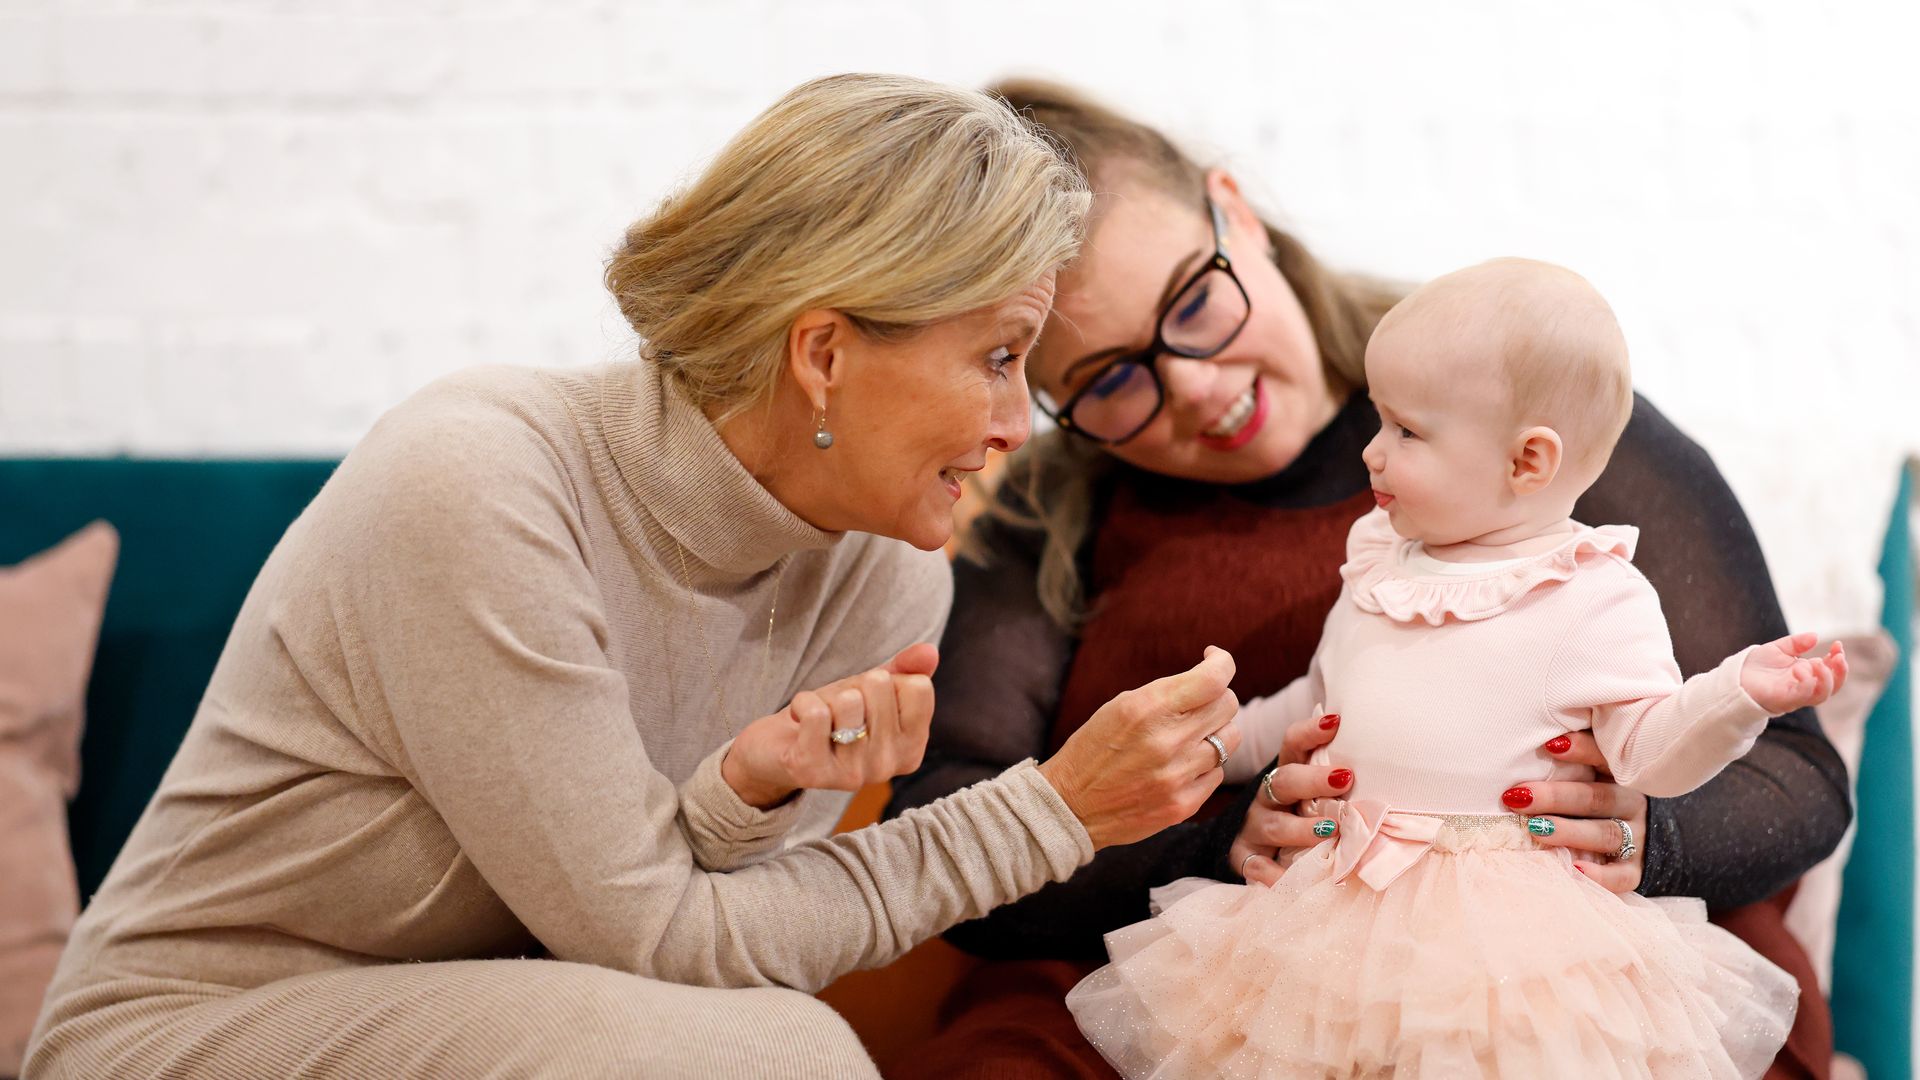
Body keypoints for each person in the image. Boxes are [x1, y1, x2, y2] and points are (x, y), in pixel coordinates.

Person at [23, 74, 1249, 1080]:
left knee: (773, 1042)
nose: (1008, 422)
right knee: (780, 1063)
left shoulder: (887, 579)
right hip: (193, 1025)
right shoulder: (482, 482)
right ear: (822, 351)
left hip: (506, 1008)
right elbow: (658, 938)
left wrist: (735, 800)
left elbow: (733, 944)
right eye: (995, 357)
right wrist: (1053, 813)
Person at [889, 80, 1850, 1079]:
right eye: (1109, 381)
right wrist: (1213, 848)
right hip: (1188, 964)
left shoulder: (1516, 404)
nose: (1201, 389)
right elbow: (938, 836)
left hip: (1573, 978)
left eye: (1195, 302)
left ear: (1238, 212)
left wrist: (1645, 835)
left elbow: (1801, 777)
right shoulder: (1047, 507)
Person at [1064, 257, 1848, 1078]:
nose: (1370, 453)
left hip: (1508, 938)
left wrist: (1736, 694)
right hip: (1333, 911)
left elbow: (1649, 751)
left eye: (1405, 432)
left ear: (1527, 463)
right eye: (1377, 422)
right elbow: (1319, 700)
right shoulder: (1379, 564)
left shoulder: (1593, 596)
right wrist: (1219, 745)